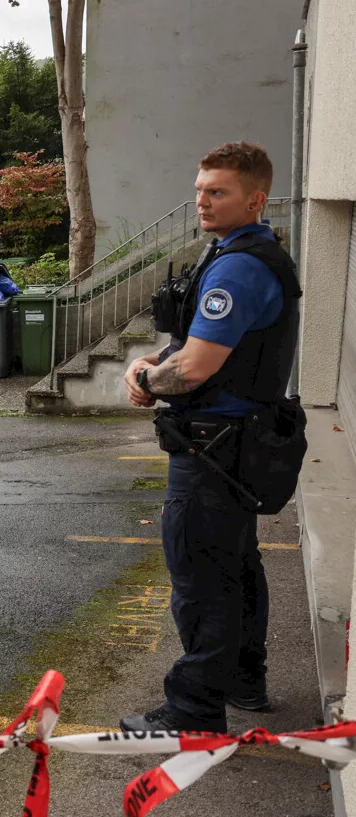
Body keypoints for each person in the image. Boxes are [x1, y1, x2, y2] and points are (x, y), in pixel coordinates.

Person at [120, 142, 301, 733]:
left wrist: (149, 377)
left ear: (254, 198)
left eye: (217, 191)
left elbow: (195, 369)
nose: (202, 200)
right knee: (236, 568)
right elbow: (193, 349)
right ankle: (245, 683)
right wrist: (151, 360)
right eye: (199, 188)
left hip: (215, 448)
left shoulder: (240, 266)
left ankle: (194, 709)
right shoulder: (239, 252)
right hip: (236, 442)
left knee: (202, 577)